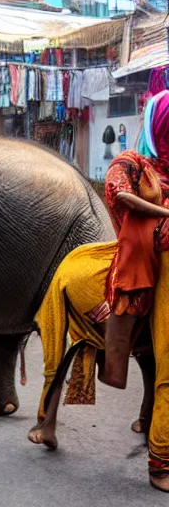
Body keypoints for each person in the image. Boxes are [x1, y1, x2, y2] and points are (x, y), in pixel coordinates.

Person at [100, 91, 169, 491]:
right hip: (146, 266)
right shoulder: (132, 162)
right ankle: (160, 462)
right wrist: (165, 212)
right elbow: (117, 192)